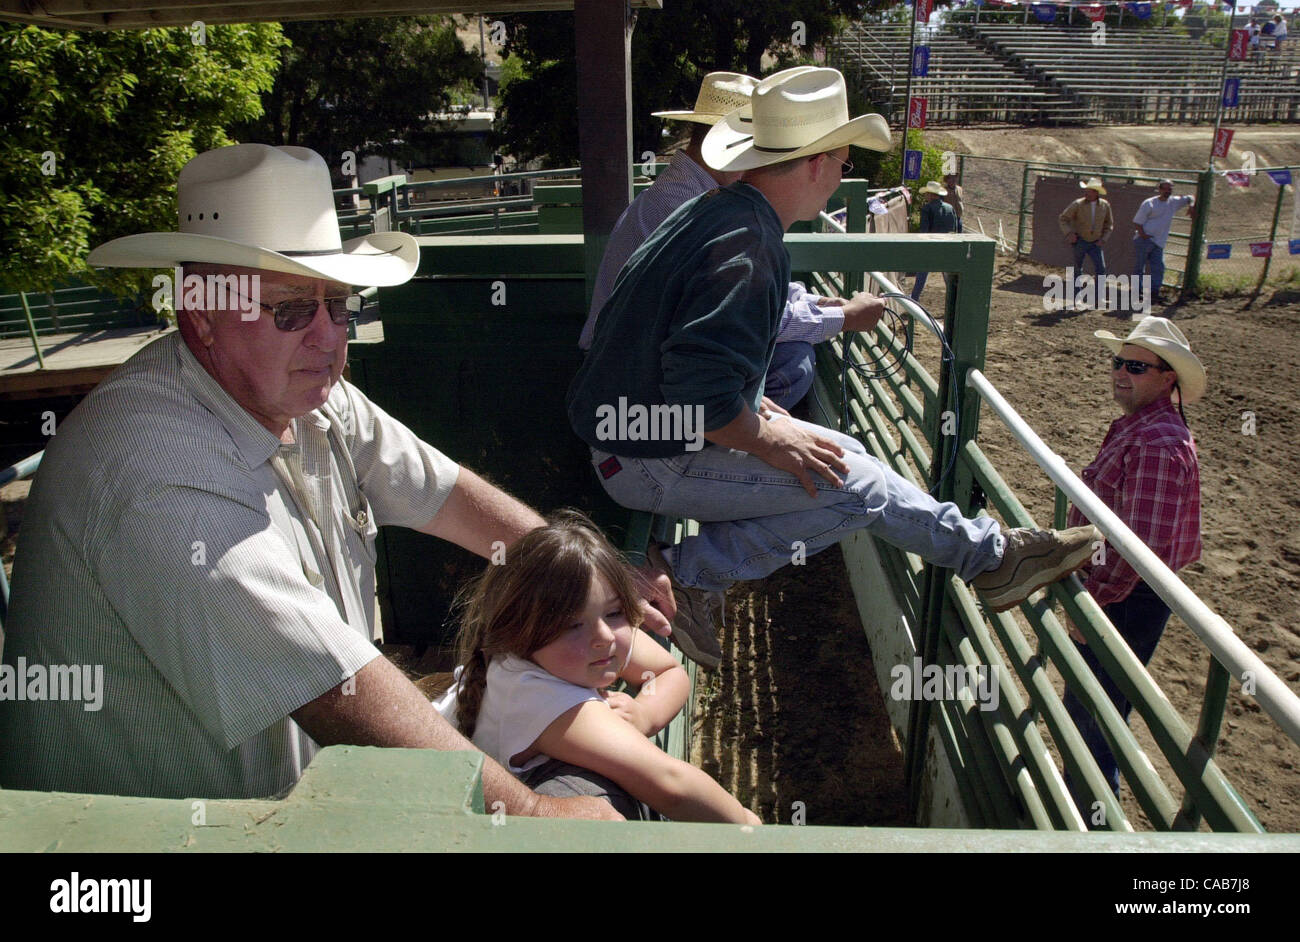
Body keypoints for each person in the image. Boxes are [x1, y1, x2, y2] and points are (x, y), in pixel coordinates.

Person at [0, 143, 657, 821]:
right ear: (199, 313)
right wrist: (529, 816)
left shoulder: (309, 396)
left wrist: (599, 592)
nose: (327, 337)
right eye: (289, 311)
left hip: (266, 810)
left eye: (337, 304)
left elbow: (451, 496)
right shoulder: (158, 473)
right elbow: (336, 690)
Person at [567, 68, 1100, 670]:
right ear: (817, 164)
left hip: (634, 437)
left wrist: (758, 414)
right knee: (856, 488)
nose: (840, 179)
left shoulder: (723, 212)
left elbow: (683, 356)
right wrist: (764, 432)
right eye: (844, 164)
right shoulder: (746, 242)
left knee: (843, 458)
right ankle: (687, 575)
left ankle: (990, 554)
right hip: (646, 457)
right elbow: (706, 396)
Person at [579, 68, 886, 410]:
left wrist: (813, 303)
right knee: (793, 363)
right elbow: (737, 315)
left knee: (790, 358)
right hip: (637, 386)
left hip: (627, 371)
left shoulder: (688, 198)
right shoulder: (703, 212)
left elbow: (732, 302)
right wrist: (843, 318)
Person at [435, 512, 760, 824]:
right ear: (522, 634)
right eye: (572, 625)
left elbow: (668, 671)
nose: (603, 636)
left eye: (615, 612)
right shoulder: (539, 699)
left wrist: (645, 713)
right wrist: (748, 826)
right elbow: (671, 784)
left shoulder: (585, 641)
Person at [1062, 317, 1204, 800]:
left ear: (1168, 379)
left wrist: (1093, 607)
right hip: (1127, 589)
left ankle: (1089, 814)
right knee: (1094, 702)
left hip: (1124, 595)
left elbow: (1137, 545)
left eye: (1137, 366)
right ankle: (1081, 803)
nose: (1121, 372)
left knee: (1095, 710)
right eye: (1119, 362)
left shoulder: (1156, 442)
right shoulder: (1145, 427)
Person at [1133, 179, 1194, 305]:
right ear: (1159, 189)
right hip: (1145, 239)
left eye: (1169, 189)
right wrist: (1143, 235)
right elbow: (1137, 222)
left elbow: (1191, 197)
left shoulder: (1173, 202)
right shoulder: (1149, 203)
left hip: (1158, 241)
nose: (1167, 191)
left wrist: (1192, 205)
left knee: (1158, 267)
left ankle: (1154, 293)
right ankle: (1137, 292)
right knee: (1140, 267)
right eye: (1165, 188)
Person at [1059, 177, 1113, 309]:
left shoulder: (1105, 206)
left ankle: (1099, 299)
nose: (1087, 193)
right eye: (1086, 191)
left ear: (1096, 192)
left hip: (1095, 242)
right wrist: (1069, 233)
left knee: (1100, 269)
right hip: (1081, 240)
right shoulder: (1078, 204)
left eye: (1089, 191)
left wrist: (1104, 238)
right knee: (1078, 270)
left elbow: (1109, 224)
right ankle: (1076, 299)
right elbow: (1063, 218)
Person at [911, 180, 960, 302]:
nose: (926, 196)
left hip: (931, 247)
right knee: (949, 278)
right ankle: (955, 302)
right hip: (948, 247)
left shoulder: (927, 209)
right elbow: (956, 229)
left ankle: (914, 302)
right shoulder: (950, 208)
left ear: (931, 195)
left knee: (921, 276)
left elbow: (924, 231)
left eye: (927, 194)